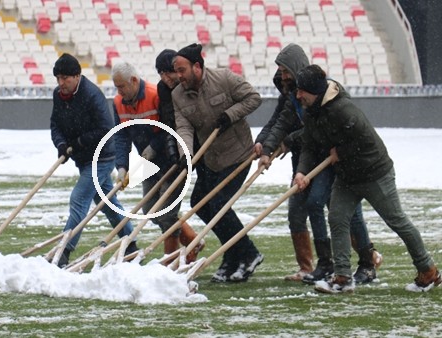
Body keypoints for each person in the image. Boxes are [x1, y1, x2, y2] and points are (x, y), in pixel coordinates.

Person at [293, 64, 441, 293]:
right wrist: (301, 172)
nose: (298, 95)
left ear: (314, 90)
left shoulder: (343, 109)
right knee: (337, 218)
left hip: (374, 173)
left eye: (302, 90)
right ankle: (342, 277)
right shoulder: (312, 112)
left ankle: (428, 270)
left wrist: (340, 152)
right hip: (347, 176)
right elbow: (309, 146)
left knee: (397, 221)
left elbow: (364, 141)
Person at [254, 44, 382, 284]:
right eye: (280, 72)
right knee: (310, 206)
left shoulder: (328, 92)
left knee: (348, 212)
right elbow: (280, 122)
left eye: (285, 71)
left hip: (337, 158)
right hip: (311, 158)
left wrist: (290, 141)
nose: (283, 76)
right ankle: (322, 264)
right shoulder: (292, 94)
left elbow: (316, 130)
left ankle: (368, 260)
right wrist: (266, 146)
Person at [171, 43, 263, 282]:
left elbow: (254, 98)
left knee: (219, 203)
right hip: (211, 159)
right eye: (176, 71)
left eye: (182, 70)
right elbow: (184, 126)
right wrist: (186, 154)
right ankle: (232, 256)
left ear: (197, 67)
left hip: (238, 154)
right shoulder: (177, 95)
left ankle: (249, 253)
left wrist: (230, 115)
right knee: (200, 203)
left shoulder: (224, 79)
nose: (178, 76)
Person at [111, 59, 204, 263]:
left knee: (167, 214)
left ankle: (170, 261)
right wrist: (122, 166)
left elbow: (169, 127)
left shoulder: (155, 94)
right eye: (116, 87)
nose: (119, 92)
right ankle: (192, 239)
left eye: (121, 86)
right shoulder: (118, 102)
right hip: (147, 163)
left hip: (171, 160)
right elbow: (121, 136)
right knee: (150, 210)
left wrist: (154, 147)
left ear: (134, 80)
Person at [49, 53, 138, 267]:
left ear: (77, 76)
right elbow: (55, 125)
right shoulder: (58, 95)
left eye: (65, 78)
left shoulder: (91, 95)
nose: (61, 83)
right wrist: (61, 144)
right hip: (82, 159)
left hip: (102, 156)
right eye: (58, 78)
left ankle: (63, 252)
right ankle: (131, 244)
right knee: (106, 202)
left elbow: (105, 129)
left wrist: (78, 142)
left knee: (79, 199)